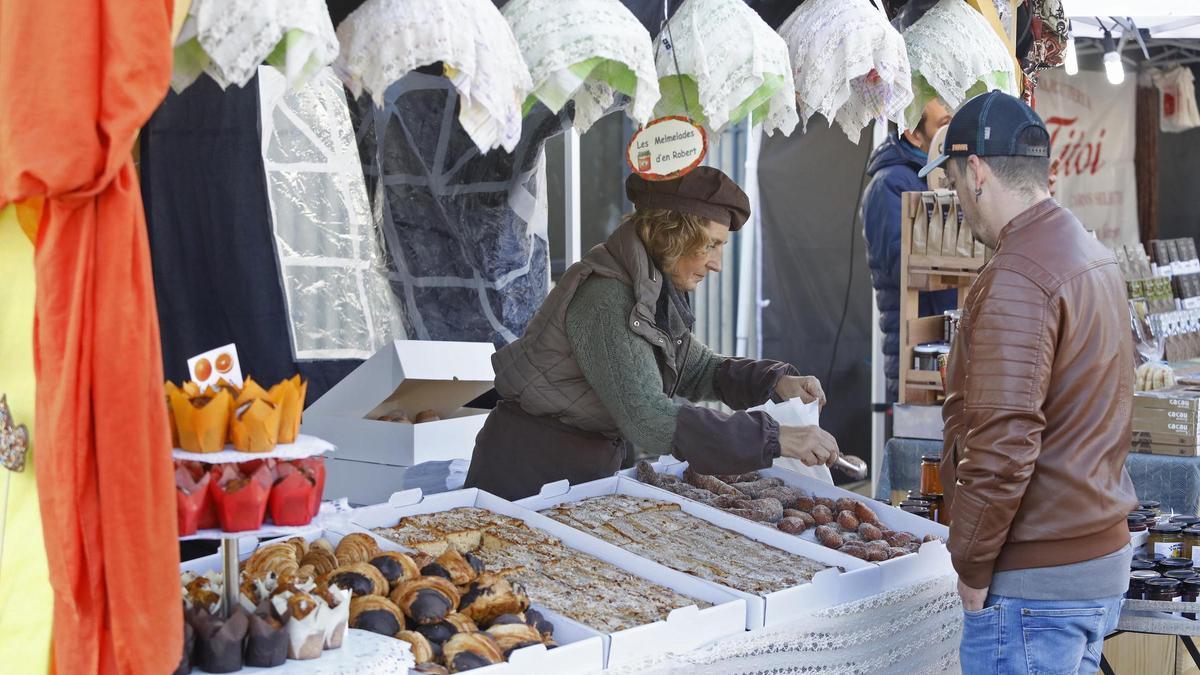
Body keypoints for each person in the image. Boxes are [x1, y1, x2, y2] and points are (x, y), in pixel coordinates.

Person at [923, 91, 1137, 674]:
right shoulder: (1092, 254)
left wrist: (970, 562)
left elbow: (1002, 444)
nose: (955, 200)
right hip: (1091, 561)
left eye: (951, 183)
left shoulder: (1019, 275)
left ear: (976, 172)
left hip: (1035, 580)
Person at [464, 167, 840, 500]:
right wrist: (775, 439)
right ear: (672, 234)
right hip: (527, 480)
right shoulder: (606, 295)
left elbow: (697, 368)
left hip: (578, 476)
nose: (717, 263)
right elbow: (648, 418)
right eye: (711, 244)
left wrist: (774, 383)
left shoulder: (652, 287)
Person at [862, 98, 957, 402]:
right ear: (914, 134)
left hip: (943, 346)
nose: (952, 133)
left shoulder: (944, 175)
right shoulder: (890, 183)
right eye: (943, 125)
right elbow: (899, 264)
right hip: (918, 353)